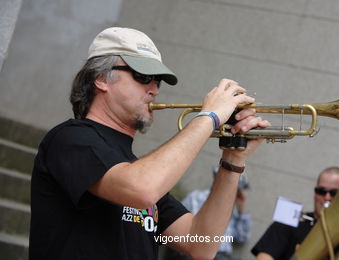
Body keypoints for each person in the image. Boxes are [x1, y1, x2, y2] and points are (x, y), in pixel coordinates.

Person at [28, 27, 271, 260]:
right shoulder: (69, 139)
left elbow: (200, 246)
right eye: (143, 76)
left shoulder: (135, 168)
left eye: (158, 81)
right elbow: (141, 189)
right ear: (101, 78)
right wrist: (209, 117)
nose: (154, 89)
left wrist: (233, 159)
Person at [251, 167, 339, 260]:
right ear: (315, 194)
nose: (327, 197)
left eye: (334, 193)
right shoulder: (289, 221)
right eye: (321, 191)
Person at [171, 167, 252, 260]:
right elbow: (176, 223)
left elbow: (242, 237)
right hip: (192, 251)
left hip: (221, 255)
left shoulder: (234, 208)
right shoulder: (195, 197)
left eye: (237, 188)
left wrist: (242, 208)